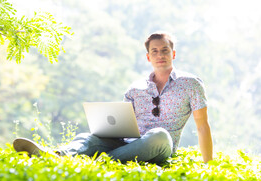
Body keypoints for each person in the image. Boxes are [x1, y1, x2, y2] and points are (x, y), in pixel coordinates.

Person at [13, 32, 213, 163]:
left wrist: (208, 165)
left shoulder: (191, 83)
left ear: (173, 54)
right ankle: (54, 156)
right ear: (148, 57)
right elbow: (123, 125)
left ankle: (101, 161)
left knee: (159, 134)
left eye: (165, 50)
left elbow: (202, 126)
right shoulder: (135, 88)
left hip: (160, 146)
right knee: (88, 137)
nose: (160, 55)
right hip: (127, 143)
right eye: (155, 51)